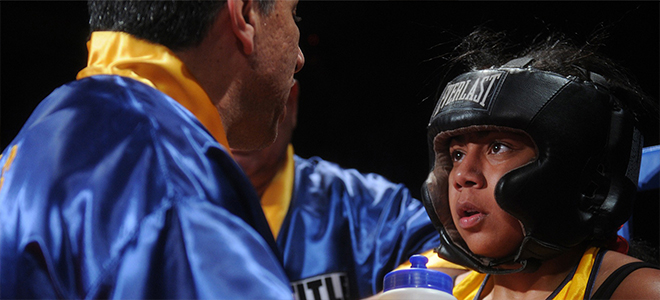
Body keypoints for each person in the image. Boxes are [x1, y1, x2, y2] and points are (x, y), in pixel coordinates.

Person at [0, 0, 304, 298]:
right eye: (294, 14)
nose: (301, 58)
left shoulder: (32, 140)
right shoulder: (176, 190)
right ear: (245, 15)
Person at [421, 29, 660, 299]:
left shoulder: (638, 292)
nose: (462, 175)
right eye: (457, 155)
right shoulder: (444, 293)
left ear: (574, 172)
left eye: (497, 148)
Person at [232, 80, 464, 299]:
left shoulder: (366, 207)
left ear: (289, 100)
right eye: (220, 100)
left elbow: (460, 254)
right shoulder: (195, 207)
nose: (237, 123)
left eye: (251, 98)